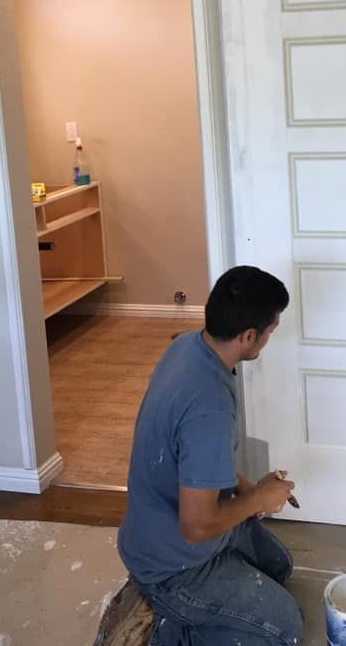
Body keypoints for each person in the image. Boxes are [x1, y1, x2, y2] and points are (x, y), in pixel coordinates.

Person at [117, 266, 304, 646]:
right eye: (270, 332)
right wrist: (257, 499)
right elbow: (196, 526)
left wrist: (249, 490)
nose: (268, 340)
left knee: (278, 567)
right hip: (173, 564)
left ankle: (197, 609)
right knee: (285, 628)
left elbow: (196, 457)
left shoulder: (188, 346)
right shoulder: (209, 406)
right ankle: (168, 628)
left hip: (170, 529)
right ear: (249, 336)